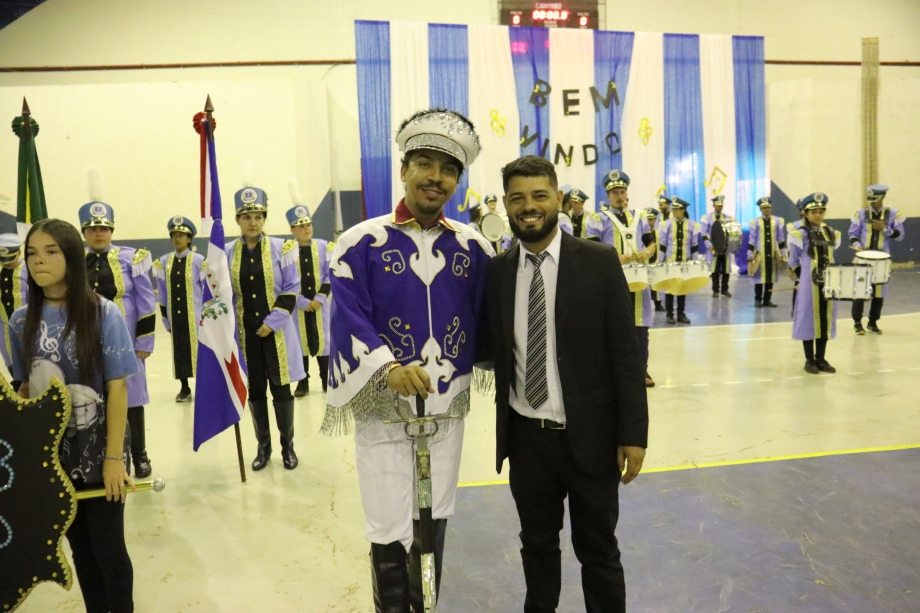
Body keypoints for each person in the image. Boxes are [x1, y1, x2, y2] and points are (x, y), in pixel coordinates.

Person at [323, 108, 491, 613]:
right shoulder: (360, 243)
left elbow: (493, 320)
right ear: (404, 170)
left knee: (434, 518)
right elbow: (347, 316)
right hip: (383, 407)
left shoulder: (474, 247)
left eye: (447, 169)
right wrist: (387, 369)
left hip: (445, 409)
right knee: (387, 523)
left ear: (457, 181)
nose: (434, 177)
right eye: (423, 163)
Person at [485, 155, 648, 612]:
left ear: (558, 198)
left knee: (598, 551)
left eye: (539, 195)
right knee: (536, 547)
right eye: (517, 198)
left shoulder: (597, 261)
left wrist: (633, 435)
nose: (528, 206)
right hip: (526, 440)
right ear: (506, 205)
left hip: (591, 440)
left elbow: (624, 354)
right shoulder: (497, 273)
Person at [11, 219, 139, 613]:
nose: (39, 261)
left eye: (51, 251)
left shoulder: (104, 313)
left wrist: (114, 459)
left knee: (109, 549)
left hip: (101, 449)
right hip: (52, 456)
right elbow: (24, 390)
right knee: (80, 548)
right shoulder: (20, 321)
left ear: (71, 256)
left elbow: (118, 388)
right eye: (32, 253)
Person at [226, 185, 305, 471]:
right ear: (238, 220)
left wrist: (272, 323)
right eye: (246, 217)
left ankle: (288, 447)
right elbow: (221, 293)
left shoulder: (281, 248)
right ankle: (263, 447)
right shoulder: (226, 253)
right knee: (256, 391)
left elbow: (292, 287)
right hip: (246, 336)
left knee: (281, 390)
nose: (252, 222)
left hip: (277, 334)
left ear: (264, 218)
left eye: (258, 216)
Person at [81, 200, 156, 479]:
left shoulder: (132, 258)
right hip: (90, 340)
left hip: (125, 341)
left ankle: (140, 456)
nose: (98, 234)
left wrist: (144, 343)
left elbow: (146, 301)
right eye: (92, 229)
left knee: (132, 399)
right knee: (95, 398)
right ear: (84, 233)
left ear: (111, 229)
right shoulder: (77, 262)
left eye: (103, 228)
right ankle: (108, 456)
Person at [588, 170, 657, 387]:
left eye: (622, 191)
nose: (619, 195)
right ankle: (612, 370)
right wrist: (614, 256)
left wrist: (647, 252)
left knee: (640, 325)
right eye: (615, 192)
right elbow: (591, 247)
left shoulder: (640, 217)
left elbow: (652, 244)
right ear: (607, 195)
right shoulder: (598, 218)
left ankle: (642, 370)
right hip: (611, 280)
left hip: (638, 281)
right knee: (612, 324)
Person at [153, 216, 206, 403]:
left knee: (201, 352)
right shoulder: (164, 262)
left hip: (197, 317)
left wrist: (207, 318)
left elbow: (207, 290)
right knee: (180, 350)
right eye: (174, 235)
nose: (178, 239)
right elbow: (162, 293)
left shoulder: (199, 261)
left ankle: (204, 386)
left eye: (182, 235)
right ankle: (184, 387)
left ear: (189, 239)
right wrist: (166, 319)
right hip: (176, 316)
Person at [788, 193, 841, 374]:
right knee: (808, 319)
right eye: (814, 212)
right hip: (808, 286)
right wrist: (802, 280)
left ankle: (821, 358)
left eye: (821, 211)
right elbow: (793, 262)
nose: (818, 215)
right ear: (805, 214)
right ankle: (809, 360)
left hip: (828, 283)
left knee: (825, 319)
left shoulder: (831, 233)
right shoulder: (798, 234)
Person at [286, 195, 333, 397]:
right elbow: (286, 280)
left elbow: (330, 274)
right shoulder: (287, 251)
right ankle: (303, 382)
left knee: (325, 342)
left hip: (321, 305)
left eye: (308, 224)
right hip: (299, 308)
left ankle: (327, 379)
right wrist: (302, 302)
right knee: (300, 343)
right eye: (301, 225)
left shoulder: (325, 247)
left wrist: (319, 299)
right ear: (293, 230)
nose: (306, 228)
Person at [848, 184, 906, 335]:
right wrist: (857, 244)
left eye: (875, 199)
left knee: (879, 292)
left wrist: (885, 229)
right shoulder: (860, 214)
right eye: (870, 199)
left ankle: (873, 322)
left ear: (883, 197)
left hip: (882, 259)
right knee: (859, 291)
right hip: (863, 257)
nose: (872, 202)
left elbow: (900, 236)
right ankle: (857, 323)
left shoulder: (894, 214)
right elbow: (853, 234)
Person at [658, 196, 700, 325]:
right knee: (670, 288)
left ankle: (681, 314)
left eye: (676, 209)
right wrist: (660, 260)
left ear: (682, 210)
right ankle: (669, 314)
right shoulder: (667, 224)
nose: (673, 211)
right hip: (671, 260)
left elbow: (694, 244)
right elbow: (663, 243)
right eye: (673, 209)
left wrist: (695, 261)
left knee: (682, 287)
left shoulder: (693, 225)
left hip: (685, 261)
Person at [0, 233, 28, 390]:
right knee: (13, 368)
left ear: (18, 252)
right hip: (5, 333)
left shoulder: (28, 270)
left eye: (10, 258)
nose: (6, 263)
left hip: (30, 329)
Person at [747, 197, 787, 308]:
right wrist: (750, 253)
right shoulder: (755, 222)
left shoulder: (778, 221)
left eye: (768, 207)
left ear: (771, 207)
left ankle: (767, 300)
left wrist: (783, 253)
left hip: (773, 254)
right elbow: (752, 238)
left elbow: (781, 238)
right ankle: (757, 300)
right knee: (759, 278)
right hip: (760, 255)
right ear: (760, 209)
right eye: (764, 208)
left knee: (770, 278)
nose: (766, 210)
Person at [700, 194, 734, 298]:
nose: (720, 207)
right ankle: (715, 290)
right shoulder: (707, 218)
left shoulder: (728, 218)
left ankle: (725, 289)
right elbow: (704, 234)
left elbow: (732, 233)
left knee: (726, 269)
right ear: (713, 205)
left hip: (725, 248)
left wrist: (731, 245)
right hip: (713, 247)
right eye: (717, 205)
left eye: (721, 205)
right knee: (714, 269)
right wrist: (709, 246)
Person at [644, 209, 666, 312]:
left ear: (655, 219)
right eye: (648, 219)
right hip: (646, 260)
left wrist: (660, 259)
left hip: (656, 260)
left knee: (657, 281)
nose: (649, 221)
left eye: (651, 219)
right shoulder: (643, 232)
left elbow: (661, 246)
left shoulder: (659, 232)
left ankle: (658, 303)